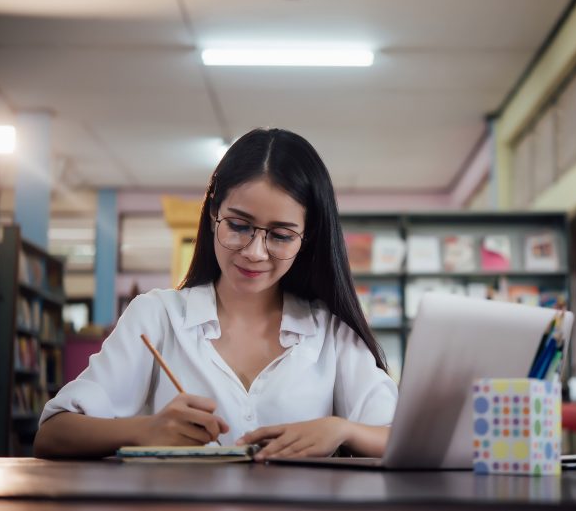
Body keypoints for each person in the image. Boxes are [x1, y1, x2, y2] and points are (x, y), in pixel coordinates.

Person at [34, 128, 398, 460]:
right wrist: (147, 429)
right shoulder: (158, 316)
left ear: (308, 238)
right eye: (239, 226)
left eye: (281, 235)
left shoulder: (331, 334)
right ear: (212, 213)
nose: (255, 252)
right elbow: (53, 433)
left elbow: (401, 438)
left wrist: (342, 429)